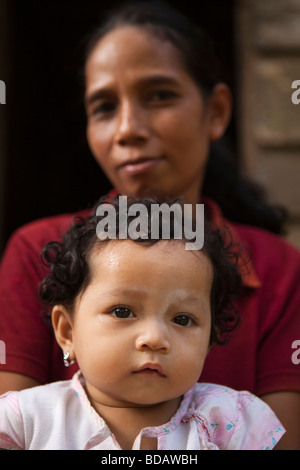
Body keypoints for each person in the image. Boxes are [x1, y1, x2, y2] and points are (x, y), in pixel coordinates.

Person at [0, 1, 299, 449]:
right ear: (65, 329)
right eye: (103, 106)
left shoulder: (279, 269)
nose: (127, 129)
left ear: (216, 111)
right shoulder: (37, 248)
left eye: (159, 95)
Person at [0, 196, 285, 450]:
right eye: (122, 311)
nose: (154, 338)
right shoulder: (23, 422)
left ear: (211, 338)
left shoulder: (232, 422)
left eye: (183, 319)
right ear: (67, 330)